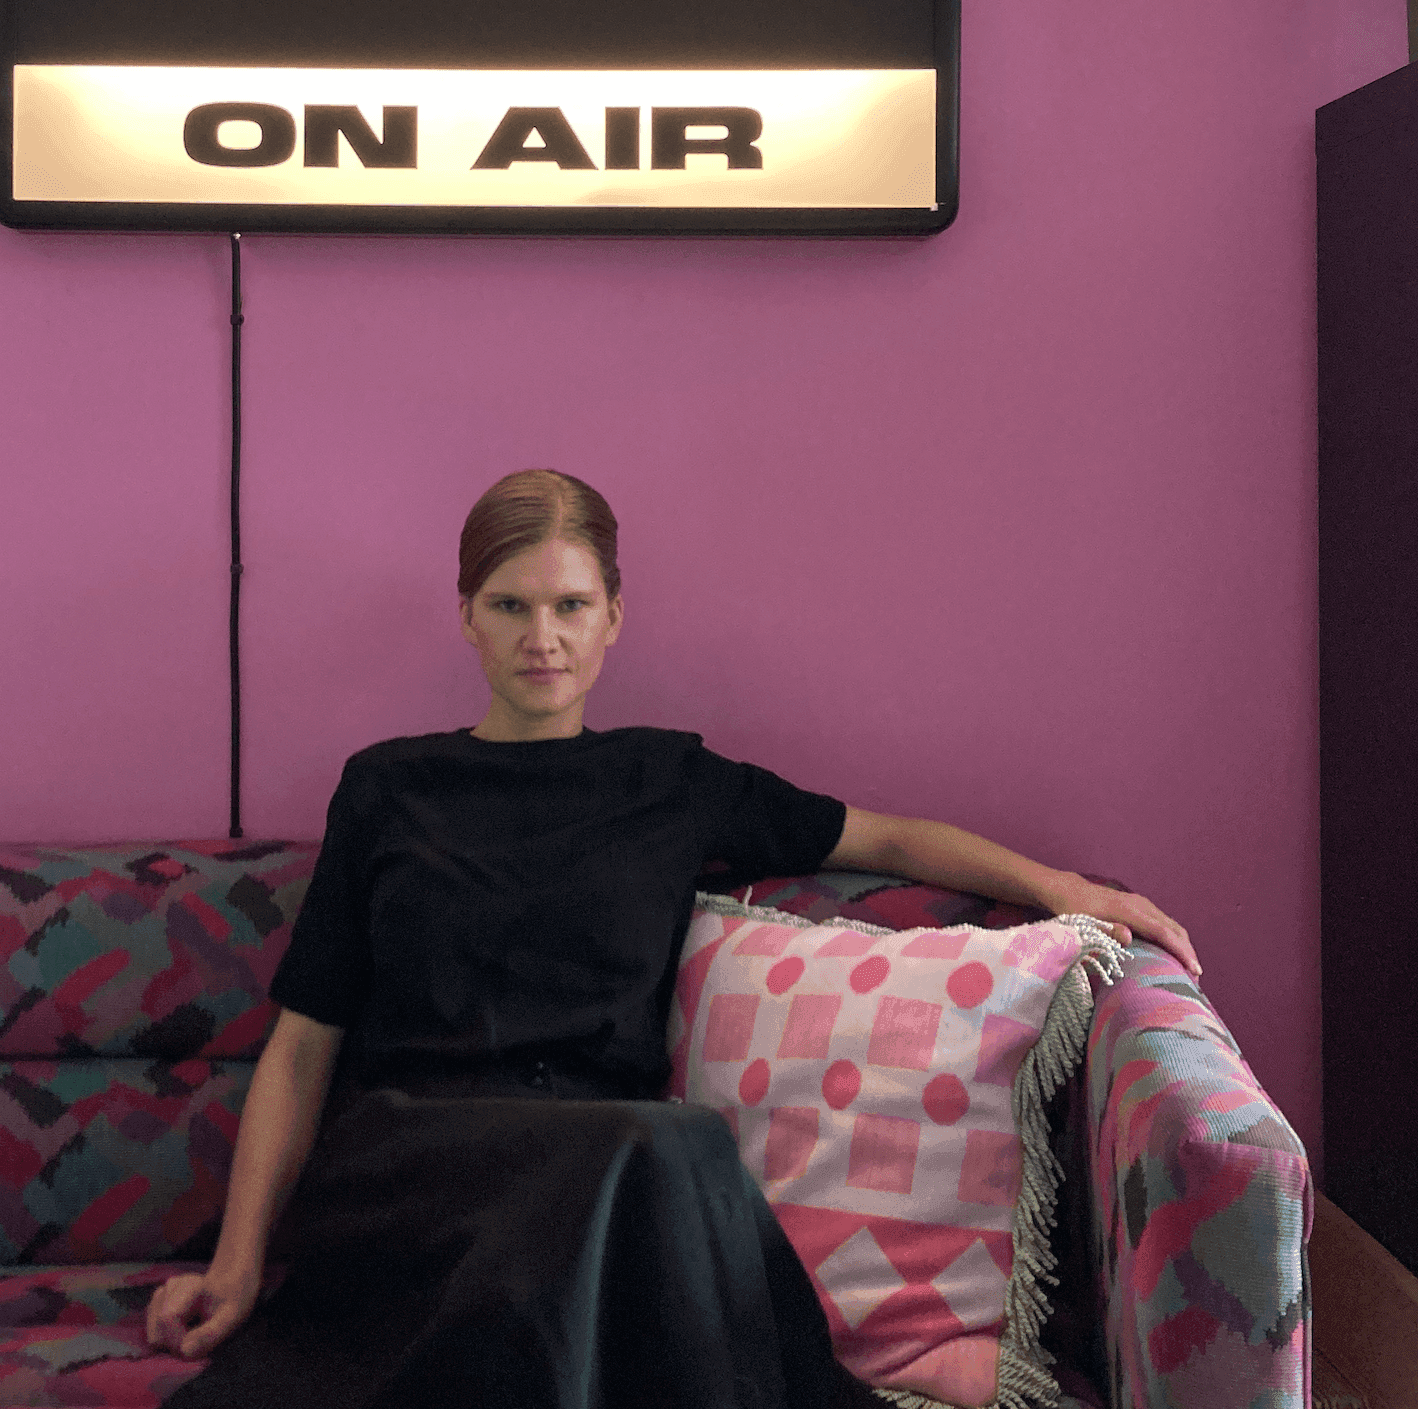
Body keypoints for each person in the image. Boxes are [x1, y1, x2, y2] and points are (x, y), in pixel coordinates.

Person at [146, 470, 1201, 1408]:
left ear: (613, 616)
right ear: (466, 615)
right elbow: (302, 1043)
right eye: (509, 605)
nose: (541, 636)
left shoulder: (669, 781)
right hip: (411, 1155)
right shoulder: (386, 786)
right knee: (669, 1145)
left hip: (596, 1168)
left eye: (569, 605)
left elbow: (883, 835)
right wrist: (237, 1263)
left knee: (658, 1152)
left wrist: (1067, 891)